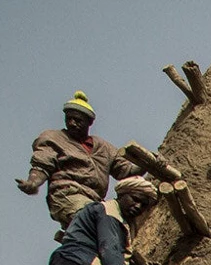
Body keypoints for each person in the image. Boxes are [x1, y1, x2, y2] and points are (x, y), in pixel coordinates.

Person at [17, 91, 138, 226]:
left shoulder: (104, 148)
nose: (72, 123)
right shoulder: (54, 139)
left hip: (94, 201)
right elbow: (42, 165)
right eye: (69, 119)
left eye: (78, 120)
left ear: (89, 122)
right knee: (95, 217)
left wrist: (145, 164)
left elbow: (125, 171)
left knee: (115, 222)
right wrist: (33, 183)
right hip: (67, 195)